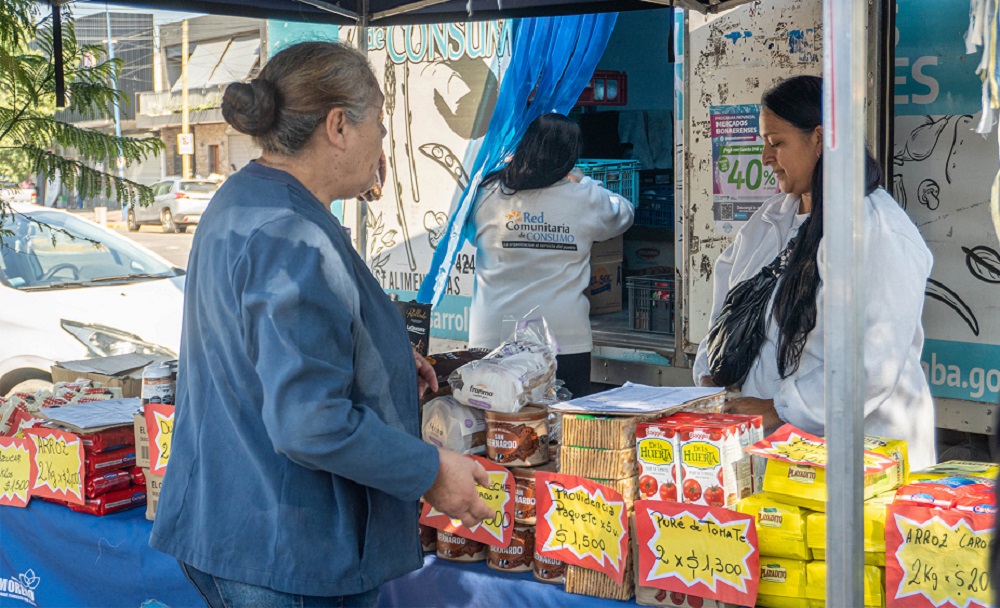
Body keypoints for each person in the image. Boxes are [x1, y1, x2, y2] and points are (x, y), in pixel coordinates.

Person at [150, 42, 492, 608]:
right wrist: (431, 471)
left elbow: (263, 346)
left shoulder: (241, 197)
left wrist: (379, 356)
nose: (383, 142)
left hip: (236, 524)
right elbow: (309, 423)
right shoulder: (292, 233)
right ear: (338, 126)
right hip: (286, 548)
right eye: (379, 125)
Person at [693, 75, 936, 471]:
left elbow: (874, 364)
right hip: (776, 452)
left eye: (776, 143)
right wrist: (711, 376)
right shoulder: (768, 222)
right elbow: (725, 313)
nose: (766, 158)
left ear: (819, 139)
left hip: (859, 458)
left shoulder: (875, 230)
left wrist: (779, 408)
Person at [467, 113, 635, 399]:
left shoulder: (487, 193)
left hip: (492, 334)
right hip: (563, 338)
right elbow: (625, 213)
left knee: (495, 420)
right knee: (563, 420)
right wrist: (582, 180)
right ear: (570, 156)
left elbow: (471, 234)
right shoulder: (585, 197)